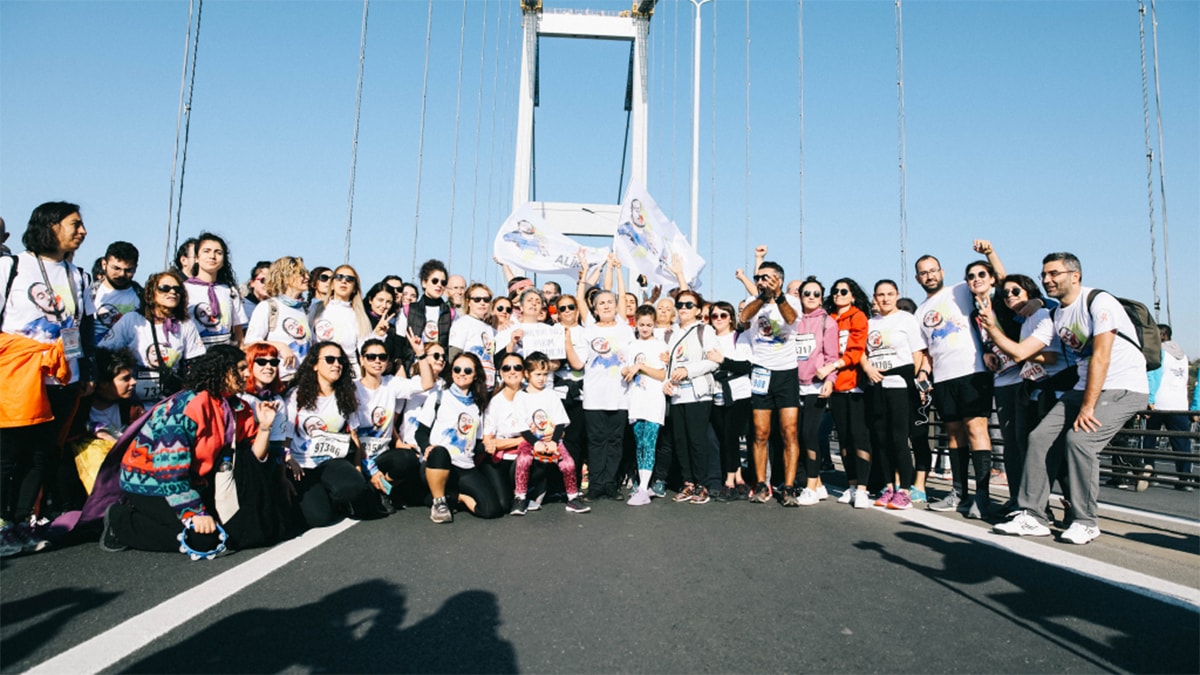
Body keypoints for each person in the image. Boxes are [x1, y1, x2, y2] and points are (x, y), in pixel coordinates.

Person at [993, 252, 1149, 544]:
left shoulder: (1100, 302)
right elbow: (1022, 344)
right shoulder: (1057, 312)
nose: (1047, 279)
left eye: (1054, 274)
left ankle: (1086, 521)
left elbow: (1101, 357)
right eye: (1044, 275)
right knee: (1039, 438)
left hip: (1122, 385)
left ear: (1074, 276)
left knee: (1080, 441)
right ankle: (1033, 516)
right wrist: (998, 321)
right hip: (1084, 387)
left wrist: (1087, 407)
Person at [99, 345, 284, 555]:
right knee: (203, 541)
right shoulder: (186, 407)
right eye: (241, 368)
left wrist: (266, 427)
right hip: (151, 482)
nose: (247, 373)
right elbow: (168, 471)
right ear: (222, 371)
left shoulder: (238, 406)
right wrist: (193, 512)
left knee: (232, 531)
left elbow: (251, 459)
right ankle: (120, 521)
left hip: (196, 481)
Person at [0, 201, 97, 546]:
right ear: (50, 225)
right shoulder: (11, 267)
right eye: (76, 224)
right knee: (10, 453)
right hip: (17, 375)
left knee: (44, 453)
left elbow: (84, 326)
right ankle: (2, 522)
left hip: (63, 377)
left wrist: (86, 371)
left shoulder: (79, 276)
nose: (83, 231)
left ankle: (23, 523)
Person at [914, 243, 1003, 518]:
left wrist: (989, 254)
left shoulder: (960, 290)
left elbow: (1000, 279)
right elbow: (926, 352)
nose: (929, 276)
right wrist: (923, 376)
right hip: (943, 378)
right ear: (918, 278)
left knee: (977, 429)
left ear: (942, 271)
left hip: (973, 371)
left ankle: (983, 495)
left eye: (933, 270)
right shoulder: (919, 312)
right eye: (923, 273)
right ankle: (959, 493)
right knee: (954, 434)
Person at [976, 272, 1069, 509]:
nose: (1009, 296)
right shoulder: (1023, 319)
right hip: (1033, 389)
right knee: (1024, 445)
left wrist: (1020, 352)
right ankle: (1030, 504)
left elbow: (1049, 355)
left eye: (1016, 291)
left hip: (1054, 388)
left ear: (1030, 292)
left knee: (1049, 449)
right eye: (1006, 293)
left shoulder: (1041, 313)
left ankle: (1066, 506)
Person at [283, 341, 380, 528]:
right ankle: (325, 497)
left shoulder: (345, 394)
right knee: (320, 518)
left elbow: (353, 434)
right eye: (329, 359)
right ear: (315, 365)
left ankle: (339, 494)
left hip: (333, 461)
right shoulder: (296, 395)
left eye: (340, 360)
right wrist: (287, 458)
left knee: (355, 488)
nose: (336, 364)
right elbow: (285, 436)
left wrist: (358, 469)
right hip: (302, 464)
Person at [737, 249, 802, 504]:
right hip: (761, 372)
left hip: (786, 372)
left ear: (779, 279)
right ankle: (762, 483)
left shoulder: (791, 302)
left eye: (768, 277)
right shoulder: (754, 302)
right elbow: (743, 317)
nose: (763, 281)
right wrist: (762, 296)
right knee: (760, 432)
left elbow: (790, 318)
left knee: (789, 431)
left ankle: (788, 486)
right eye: (759, 277)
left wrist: (778, 296)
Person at [859, 280, 925, 510]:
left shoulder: (907, 319)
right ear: (874, 298)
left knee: (899, 437)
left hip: (900, 383)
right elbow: (861, 352)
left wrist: (914, 379)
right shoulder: (869, 323)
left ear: (896, 295)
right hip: (876, 384)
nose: (885, 299)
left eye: (889, 294)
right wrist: (868, 369)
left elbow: (917, 353)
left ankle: (904, 489)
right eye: (880, 295)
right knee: (881, 437)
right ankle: (888, 486)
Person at [420, 352, 507, 522]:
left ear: (475, 375)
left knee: (492, 509)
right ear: (451, 372)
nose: (461, 373)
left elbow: (476, 442)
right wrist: (426, 446)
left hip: (465, 465)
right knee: (440, 452)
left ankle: (455, 497)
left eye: (467, 370)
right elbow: (421, 432)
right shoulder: (438, 396)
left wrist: (488, 445)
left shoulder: (477, 405)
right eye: (457, 369)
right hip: (438, 464)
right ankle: (438, 503)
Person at [565, 290, 634, 500]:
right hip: (594, 396)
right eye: (601, 303)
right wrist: (567, 341)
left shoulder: (626, 331)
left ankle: (610, 483)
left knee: (615, 440)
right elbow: (578, 363)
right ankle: (596, 484)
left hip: (620, 394)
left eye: (609, 302)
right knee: (596, 441)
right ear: (594, 308)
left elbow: (633, 359)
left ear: (616, 306)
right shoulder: (589, 331)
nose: (606, 306)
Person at [99, 270, 206, 405]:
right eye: (164, 288)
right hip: (133, 403)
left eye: (177, 289)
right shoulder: (132, 320)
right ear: (151, 293)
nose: (172, 292)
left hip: (169, 403)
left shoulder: (186, 324)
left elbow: (196, 363)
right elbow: (103, 352)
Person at [355, 337, 434, 514]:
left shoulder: (391, 383)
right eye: (371, 357)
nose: (377, 361)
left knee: (408, 458)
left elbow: (427, 384)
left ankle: (381, 488)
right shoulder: (352, 389)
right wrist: (371, 469)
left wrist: (420, 354)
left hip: (382, 454)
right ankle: (374, 488)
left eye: (382, 357)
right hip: (358, 456)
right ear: (362, 360)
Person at [509, 352, 589, 514]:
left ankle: (572, 498)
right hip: (531, 440)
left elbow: (560, 421)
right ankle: (520, 498)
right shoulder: (520, 397)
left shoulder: (551, 395)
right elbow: (521, 425)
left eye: (545, 374)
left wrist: (553, 441)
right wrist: (535, 442)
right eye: (537, 374)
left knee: (568, 463)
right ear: (527, 374)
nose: (541, 378)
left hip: (552, 440)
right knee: (524, 460)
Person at [817, 278, 873, 509]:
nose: (838, 294)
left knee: (859, 436)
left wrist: (832, 366)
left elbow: (856, 350)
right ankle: (851, 485)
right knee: (844, 438)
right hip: (836, 386)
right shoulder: (828, 319)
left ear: (853, 295)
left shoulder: (858, 316)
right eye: (835, 291)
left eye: (844, 291)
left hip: (855, 384)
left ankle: (862, 488)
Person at [662, 290, 719, 504]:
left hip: (698, 393)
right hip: (677, 394)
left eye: (689, 305)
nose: (683, 308)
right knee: (680, 441)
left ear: (697, 310)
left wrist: (688, 370)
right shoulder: (670, 333)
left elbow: (713, 361)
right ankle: (688, 483)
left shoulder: (705, 331)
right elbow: (667, 364)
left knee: (697, 440)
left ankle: (702, 484)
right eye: (680, 304)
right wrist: (665, 382)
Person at [789, 277, 839, 506]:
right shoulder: (793, 320)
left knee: (810, 435)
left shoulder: (827, 322)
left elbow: (832, 357)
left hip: (816, 386)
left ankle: (810, 486)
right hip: (793, 386)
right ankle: (818, 484)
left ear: (822, 297)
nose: (811, 297)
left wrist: (830, 379)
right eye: (806, 293)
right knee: (798, 436)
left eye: (816, 294)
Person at [705, 300, 753, 501]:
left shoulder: (739, 338)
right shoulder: (708, 338)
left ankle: (729, 482)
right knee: (723, 438)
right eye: (714, 316)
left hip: (738, 393)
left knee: (731, 436)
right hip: (716, 394)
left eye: (723, 315)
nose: (718, 320)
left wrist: (723, 362)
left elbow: (746, 365)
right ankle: (740, 478)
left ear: (731, 318)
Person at [622, 305, 668, 505]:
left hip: (653, 400)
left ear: (654, 324)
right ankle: (643, 484)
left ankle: (643, 488)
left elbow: (661, 374)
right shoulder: (631, 345)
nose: (645, 328)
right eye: (641, 324)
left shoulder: (660, 345)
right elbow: (625, 371)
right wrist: (627, 370)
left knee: (649, 443)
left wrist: (640, 367)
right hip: (635, 400)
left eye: (649, 324)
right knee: (639, 444)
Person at [244, 256, 313, 382]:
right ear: (285, 277)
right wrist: (280, 346)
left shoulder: (302, 310)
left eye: (307, 274)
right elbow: (250, 343)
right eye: (301, 274)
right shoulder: (268, 307)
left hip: (303, 380)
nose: (307, 278)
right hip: (279, 380)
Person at [1143, 324, 1195, 490]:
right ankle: (1184, 479)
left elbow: (1153, 375)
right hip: (1179, 404)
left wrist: (1149, 398)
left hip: (1158, 403)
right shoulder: (1183, 355)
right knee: (1181, 443)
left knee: (1149, 440)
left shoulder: (1159, 352)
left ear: (1161, 336)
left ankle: (1150, 475)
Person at [309, 264, 383, 376]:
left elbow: (365, 348)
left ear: (354, 288)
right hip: (319, 370)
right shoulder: (317, 308)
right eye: (339, 277)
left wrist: (378, 335)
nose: (344, 281)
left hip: (348, 373)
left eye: (350, 279)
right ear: (332, 284)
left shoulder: (359, 316)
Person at [184, 232, 246, 349]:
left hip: (224, 355)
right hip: (195, 355)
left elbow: (238, 332)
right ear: (197, 258)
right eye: (206, 251)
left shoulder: (230, 291)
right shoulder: (184, 289)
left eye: (218, 252)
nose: (212, 256)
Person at [396, 259, 455, 366]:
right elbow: (399, 342)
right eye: (435, 281)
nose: (439, 285)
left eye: (443, 282)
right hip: (413, 367)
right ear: (424, 282)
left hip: (439, 368)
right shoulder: (408, 310)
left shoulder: (450, 313)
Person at [91, 241, 141, 343]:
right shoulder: (90, 293)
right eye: (116, 268)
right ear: (104, 264)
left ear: (136, 268)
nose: (122, 274)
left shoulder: (143, 297)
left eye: (128, 270)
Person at [449, 283, 498, 386]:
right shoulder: (462, 323)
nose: (482, 303)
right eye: (477, 299)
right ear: (468, 302)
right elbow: (453, 356)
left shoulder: (489, 328)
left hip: (487, 384)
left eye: (486, 299)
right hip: (470, 383)